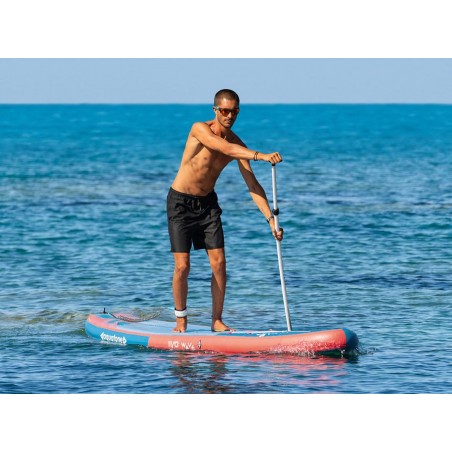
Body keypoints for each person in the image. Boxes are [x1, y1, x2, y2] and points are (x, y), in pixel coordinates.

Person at [167, 89, 284, 333]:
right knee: (182, 266)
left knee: (219, 263)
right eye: (225, 111)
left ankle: (217, 321)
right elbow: (222, 147)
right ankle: (181, 320)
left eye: (234, 111)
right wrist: (260, 156)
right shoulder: (199, 129)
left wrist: (270, 220)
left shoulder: (238, 145)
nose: (229, 116)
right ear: (215, 110)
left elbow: (253, 185)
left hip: (208, 205)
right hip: (180, 203)